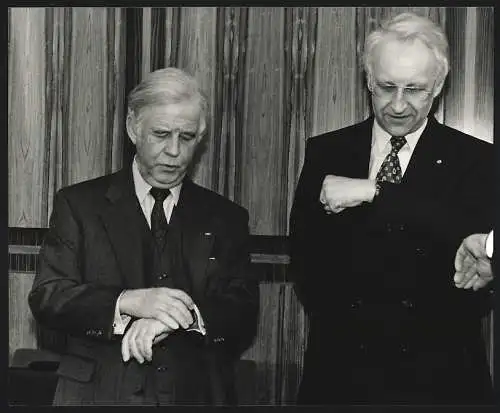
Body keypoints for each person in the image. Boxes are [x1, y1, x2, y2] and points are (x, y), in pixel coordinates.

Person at [289, 12, 494, 405]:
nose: (398, 105)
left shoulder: (477, 159)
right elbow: (305, 262)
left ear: (437, 88)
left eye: (414, 90)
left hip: (441, 379)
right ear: (368, 81)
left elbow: (475, 256)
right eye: (386, 87)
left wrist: (375, 192)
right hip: (342, 374)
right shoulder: (327, 151)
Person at [28, 68, 259, 405]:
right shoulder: (78, 205)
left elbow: (242, 309)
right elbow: (48, 296)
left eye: (188, 137)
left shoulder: (226, 217)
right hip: (96, 396)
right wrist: (129, 301)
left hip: (196, 396)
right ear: (133, 127)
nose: (174, 151)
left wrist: (181, 317)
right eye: (162, 134)